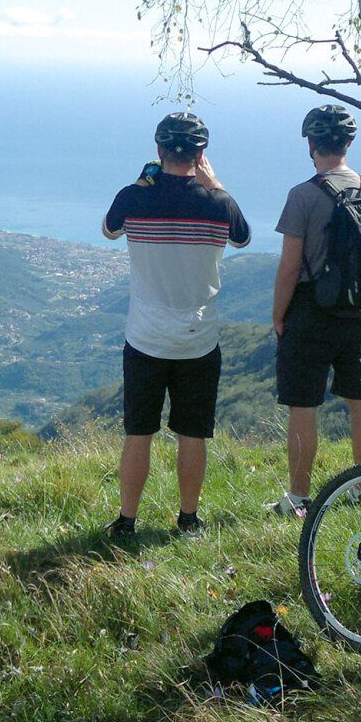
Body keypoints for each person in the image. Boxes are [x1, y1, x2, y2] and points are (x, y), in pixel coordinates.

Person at [101, 111, 250, 539]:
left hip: (145, 337)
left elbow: (109, 230)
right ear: (201, 155)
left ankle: (126, 521)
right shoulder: (218, 204)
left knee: (138, 433)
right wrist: (215, 185)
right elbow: (242, 238)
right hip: (198, 340)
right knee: (193, 433)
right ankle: (188, 519)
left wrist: (143, 182)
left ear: (158, 149)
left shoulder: (133, 197)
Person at [266, 105, 361, 515]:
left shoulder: (303, 195)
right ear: (348, 143)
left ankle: (300, 498)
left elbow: (290, 266)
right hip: (358, 312)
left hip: (310, 310)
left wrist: (279, 315)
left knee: (304, 404)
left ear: (311, 144)